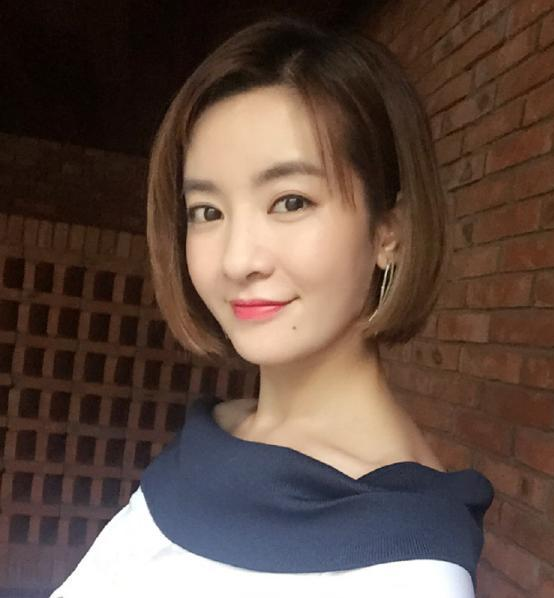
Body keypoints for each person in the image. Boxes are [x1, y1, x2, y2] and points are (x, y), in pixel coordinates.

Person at [50, 14, 494, 598]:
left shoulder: (406, 569)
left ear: (390, 230)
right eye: (207, 211)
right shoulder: (213, 439)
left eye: (290, 201)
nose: (237, 260)